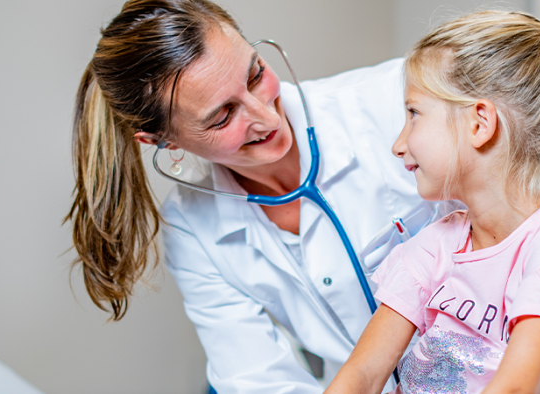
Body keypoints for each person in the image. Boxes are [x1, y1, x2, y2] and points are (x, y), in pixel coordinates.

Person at [66, 0, 430, 392]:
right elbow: (258, 380)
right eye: (223, 115)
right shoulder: (191, 225)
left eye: (255, 75)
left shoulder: (399, 100)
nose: (267, 118)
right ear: (162, 140)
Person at [325, 6, 540, 394]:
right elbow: (362, 374)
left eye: (414, 114)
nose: (399, 144)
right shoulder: (438, 244)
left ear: (480, 123)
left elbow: (514, 387)